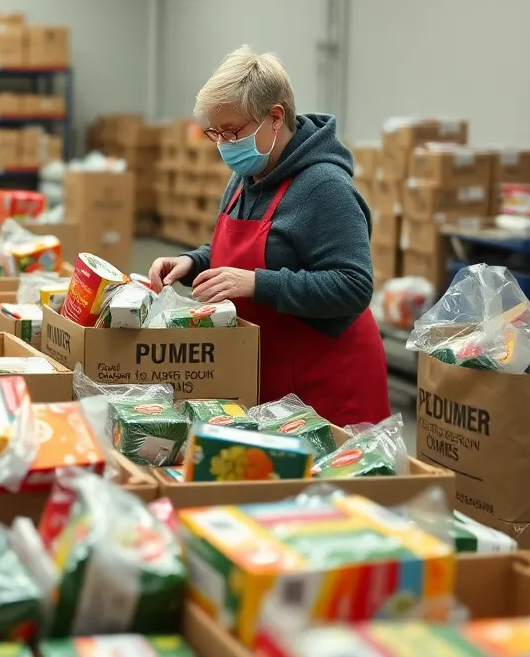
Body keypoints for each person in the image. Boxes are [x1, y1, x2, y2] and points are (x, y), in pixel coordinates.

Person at [148, 46, 389, 427]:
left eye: (234, 131)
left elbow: (354, 285)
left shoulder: (323, 187)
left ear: (275, 117)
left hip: (325, 383)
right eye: (216, 133)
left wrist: (259, 284)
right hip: (270, 374)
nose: (225, 144)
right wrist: (193, 262)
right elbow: (244, 256)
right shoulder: (246, 178)